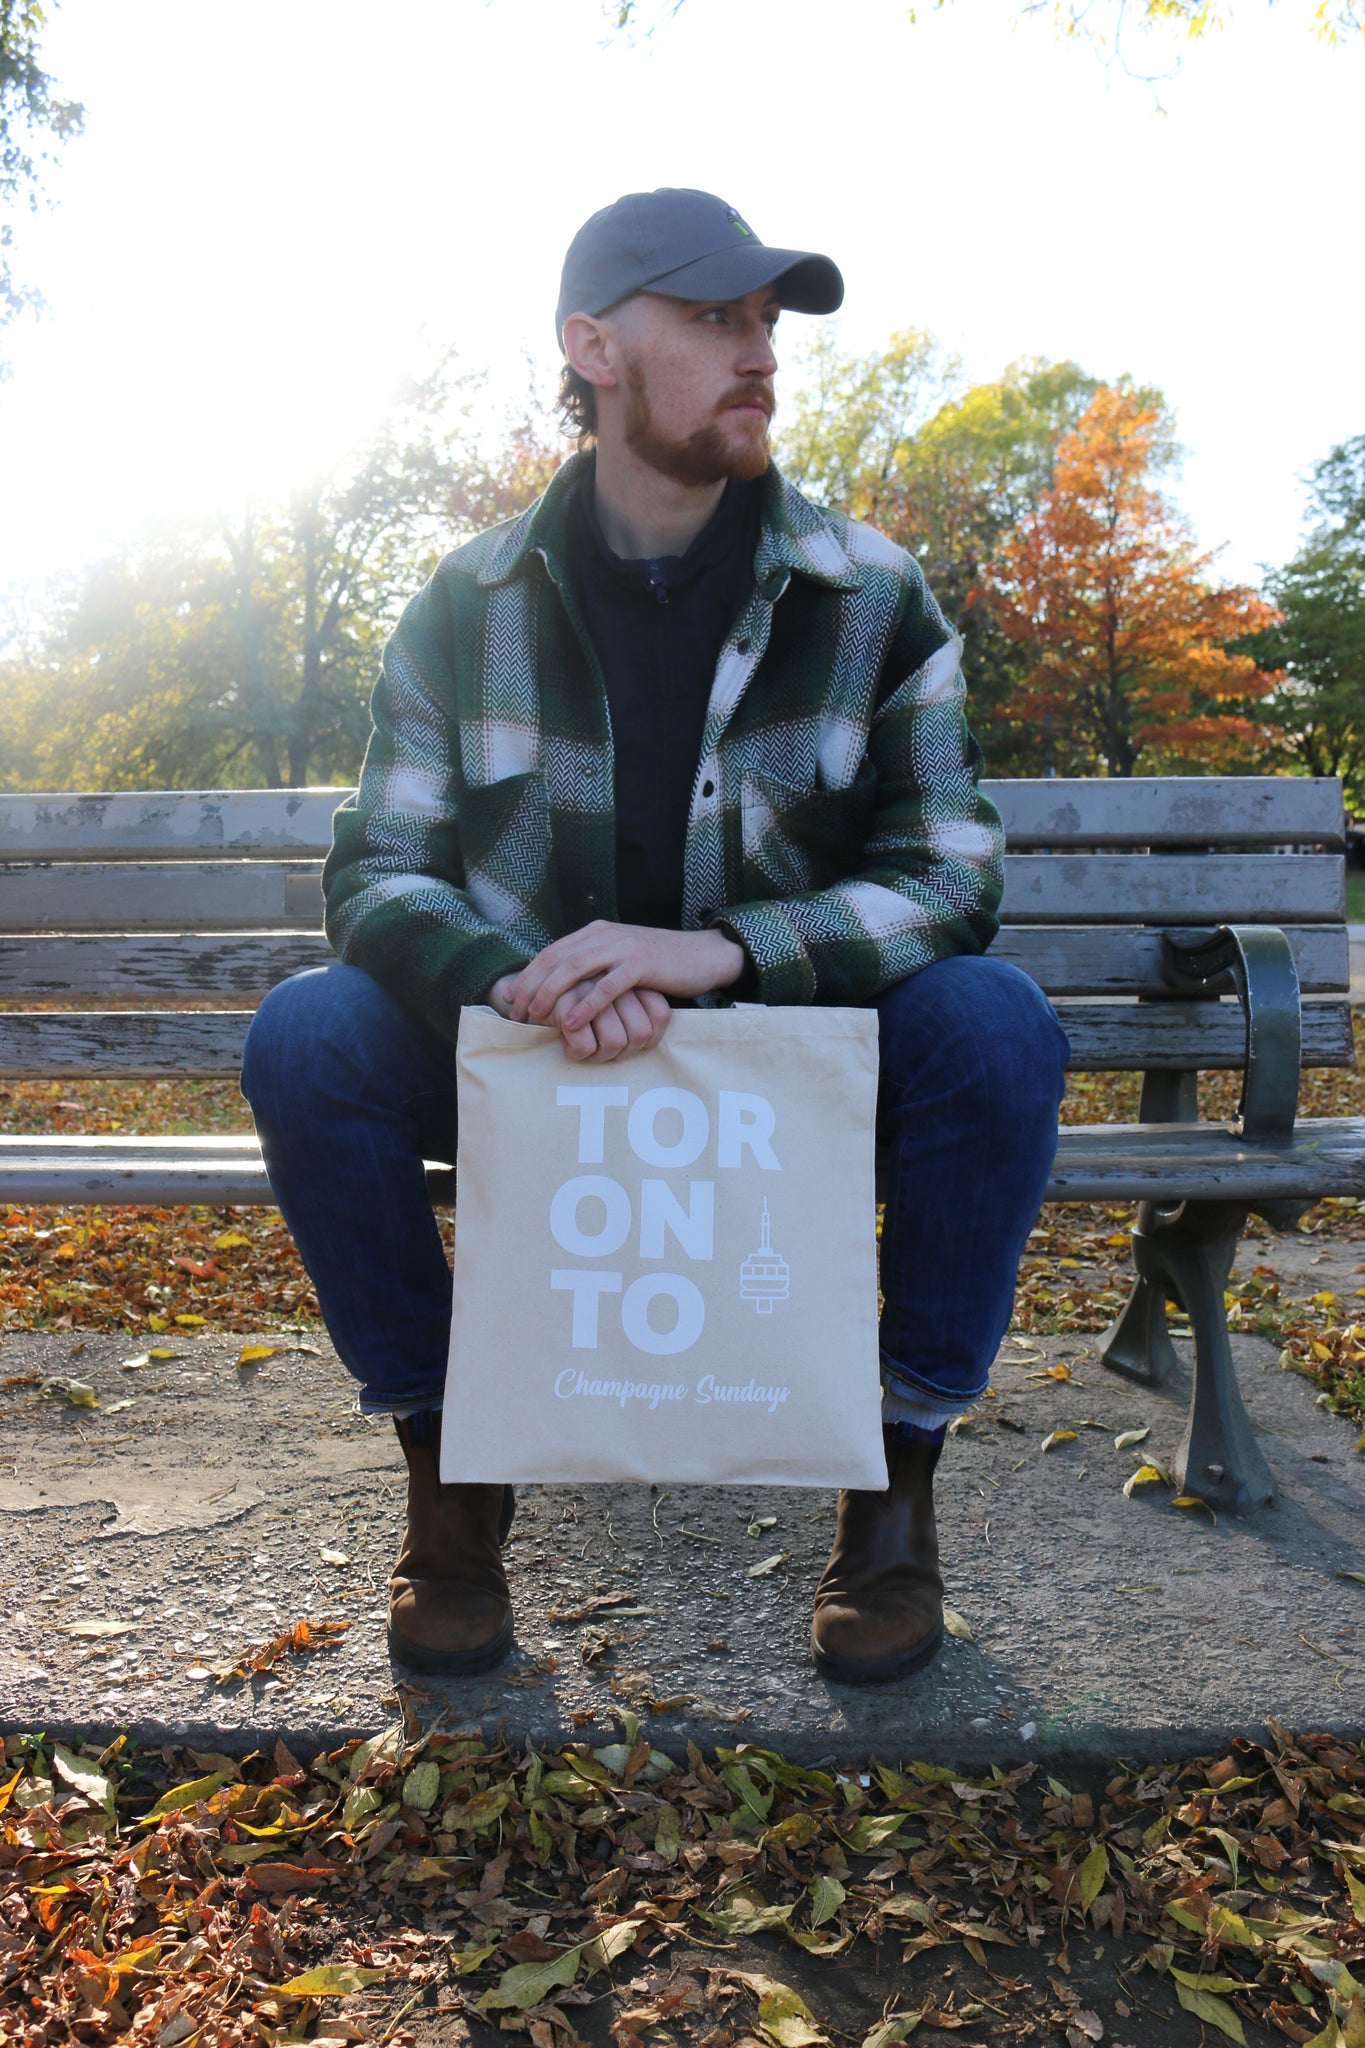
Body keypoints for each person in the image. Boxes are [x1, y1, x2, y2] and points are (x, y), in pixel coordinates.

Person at [241, 187, 1068, 1690]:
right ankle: (456, 1476)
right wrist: (522, 983)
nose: (755, 352)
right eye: (709, 318)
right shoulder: (463, 603)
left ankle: (890, 1491)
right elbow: (375, 872)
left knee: (995, 1020)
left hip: (792, 1065)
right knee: (310, 1032)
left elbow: (949, 874)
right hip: (530, 1060)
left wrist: (730, 954)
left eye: (764, 322)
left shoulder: (869, 593)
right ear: (593, 347)